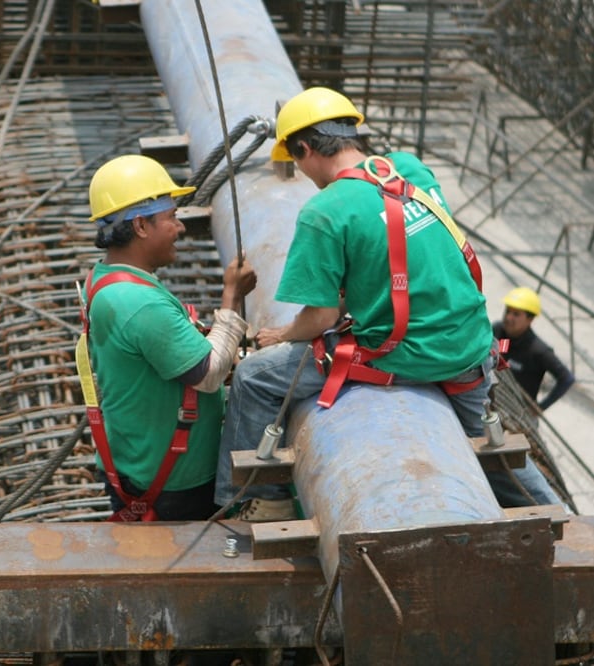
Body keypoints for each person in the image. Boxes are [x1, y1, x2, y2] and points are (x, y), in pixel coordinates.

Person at [215, 87, 561, 520]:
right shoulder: (409, 168)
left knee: (253, 377)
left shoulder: (324, 211)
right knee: (496, 459)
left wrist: (281, 335)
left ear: (303, 149)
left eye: (297, 161)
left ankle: (254, 500)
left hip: (406, 354)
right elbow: (425, 249)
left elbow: (319, 318)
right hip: (471, 349)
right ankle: (566, 522)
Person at [81, 155, 256, 521]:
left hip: (143, 463)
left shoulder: (108, 278)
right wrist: (231, 296)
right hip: (173, 485)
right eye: (172, 217)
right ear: (141, 225)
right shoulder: (137, 302)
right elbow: (207, 374)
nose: (180, 228)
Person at [494, 286, 575, 412]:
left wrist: (540, 408)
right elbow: (502, 355)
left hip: (519, 414)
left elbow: (566, 379)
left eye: (516, 314)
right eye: (508, 311)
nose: (509, 317)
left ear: (530, 319)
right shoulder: (499, 332)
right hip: (496, 401)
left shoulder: (538, 351)